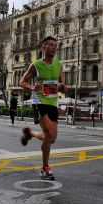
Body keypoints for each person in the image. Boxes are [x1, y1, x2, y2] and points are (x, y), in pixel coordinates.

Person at [20, 36, 67, 180]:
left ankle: (31, 134)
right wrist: (32, 86)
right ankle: (45, 167)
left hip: (53, 102)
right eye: (50, 45)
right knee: (48, 134)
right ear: (43, 47)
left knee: (51, 138)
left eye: (55, 45)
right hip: (39, 102)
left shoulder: (59, 64)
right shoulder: (36, 65)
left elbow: (63, 87)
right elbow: (22, 81)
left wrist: (62, 90)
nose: (54, 47)